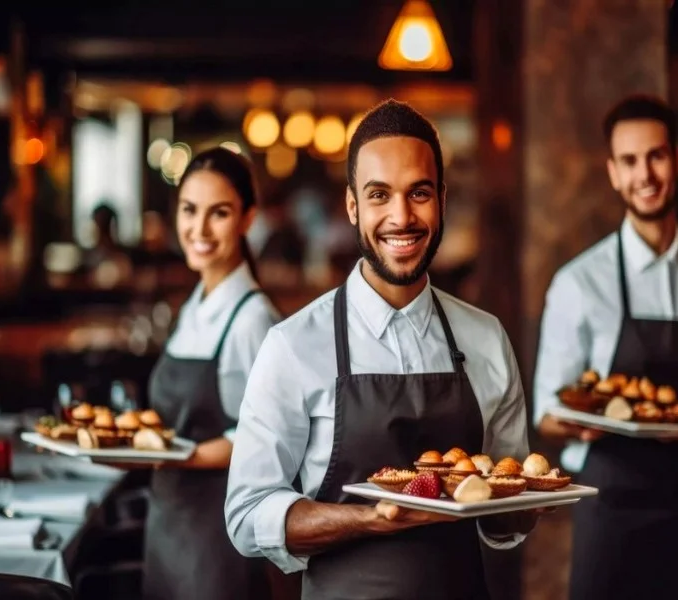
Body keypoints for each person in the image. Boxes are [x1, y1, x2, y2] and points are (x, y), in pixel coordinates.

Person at [225, 99, 535, 600]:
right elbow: (247, 513)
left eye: (419, 193)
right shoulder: (294, 345)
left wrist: (523, 505)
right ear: (352, 206)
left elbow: (501, 518)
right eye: (378, 195)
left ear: (442, 199)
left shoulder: (486, 338)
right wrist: (369, 520)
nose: (401, 216)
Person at [533, 94, 678, 600]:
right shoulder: (579, 282)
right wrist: (587, 418)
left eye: (656, 156)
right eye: (629, 161)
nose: (644, 174)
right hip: (611, 512)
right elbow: (546, 415)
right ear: (612, 172)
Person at [142, 147, 279, 600]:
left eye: (218, 213)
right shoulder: (195, 305)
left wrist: (179, 456)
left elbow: (267, 439)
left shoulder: (252, 318)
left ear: (247, 219)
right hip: (167, 526)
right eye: (189, 210)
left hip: (216, 540)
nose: (198, 230)